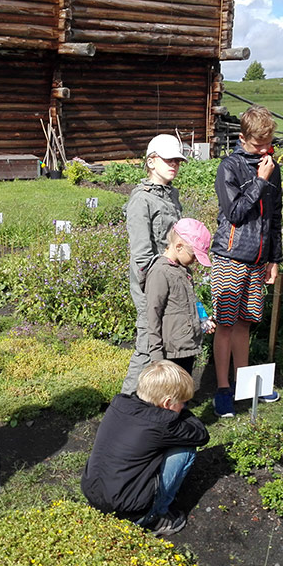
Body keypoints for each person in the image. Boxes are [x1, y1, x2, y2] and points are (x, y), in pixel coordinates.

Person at [210, 105, 283, 417]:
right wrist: (260, 179)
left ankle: (246, 383)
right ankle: (223, 389)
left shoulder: (272, 165)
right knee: (225, 325)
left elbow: (276, 215)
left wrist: (274, 258)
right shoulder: (230, 166)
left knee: (245, 323)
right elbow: (236, 213)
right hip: (230, 256)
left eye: (268, 143)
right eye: (258, 145)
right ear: (242, 138)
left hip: (258, 260)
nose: (264, 150)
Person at [81, 360, 209, 536]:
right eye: (183, 402)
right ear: (167, 403)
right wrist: (178, 413)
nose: (184, 407)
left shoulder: (119, 403)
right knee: (185, 450)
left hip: (94, 496)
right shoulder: (164, 423)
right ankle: (156, 516)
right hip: (131, 511)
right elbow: (201, 435)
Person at [121, 134, 186, 394]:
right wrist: (156, 287)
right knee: (148, 341)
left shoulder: (171, 196)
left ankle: (158, 400)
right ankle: (126, 403)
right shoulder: (141, 200)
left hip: (172, 278)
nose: (174, 165)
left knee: (167, 341)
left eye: (178, 161)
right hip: (151, 284)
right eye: (168, 159)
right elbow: (141, 255)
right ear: (151, 161)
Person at [141, 218, 215, 375]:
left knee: (183, 394)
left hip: (186, 347)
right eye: (194, 256)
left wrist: (203, 320)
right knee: (169, 394)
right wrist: (156, 357)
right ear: (179, 246)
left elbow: (191, 300)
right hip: (169, 353)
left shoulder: (184, 270)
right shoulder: (160, 272)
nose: (195, 261)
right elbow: (153, 315)